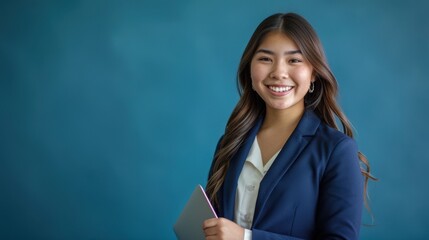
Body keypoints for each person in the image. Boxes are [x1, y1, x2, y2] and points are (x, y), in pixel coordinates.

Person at [203, 13, 375, 240]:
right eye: (265, 59)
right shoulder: (230, 142)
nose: (278, 73)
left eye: (294, 60)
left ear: (313, 73)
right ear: (250, 68)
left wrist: (247, 237)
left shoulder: (336, 150)